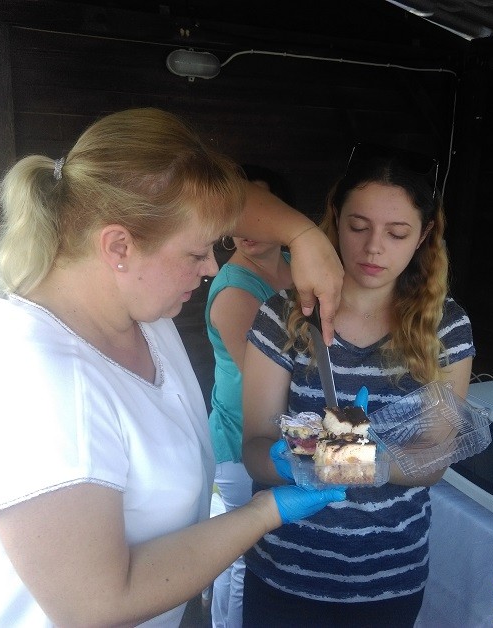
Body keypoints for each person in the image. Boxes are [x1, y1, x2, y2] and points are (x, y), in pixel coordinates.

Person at [0, 107, 348, 628]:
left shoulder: (128, 303)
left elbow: (230, 205)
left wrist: (304, 235)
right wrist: (266, 512)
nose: (211, 267)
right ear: (119, 246)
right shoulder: (37, 382)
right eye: (196, 253)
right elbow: (98, 604)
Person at [240, 143, 476, 627]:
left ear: (424, 235)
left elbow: (433, 459)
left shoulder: (446, 328)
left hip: (387, 575)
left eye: (397, 233)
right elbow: (255, 449)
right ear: (334, 219)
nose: (373, 248)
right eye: (358, 226)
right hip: (286, 569)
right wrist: (287, 462)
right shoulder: (283, 315)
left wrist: (356, 461)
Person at [205, 165, 295, 628]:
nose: (246, 229)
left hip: (284, 434)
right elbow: (263, 380)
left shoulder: (294, 266)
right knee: (243, 554)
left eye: (258, 215)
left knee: (249, 548)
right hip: (242, 441)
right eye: (237, 217)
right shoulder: (235, 291)